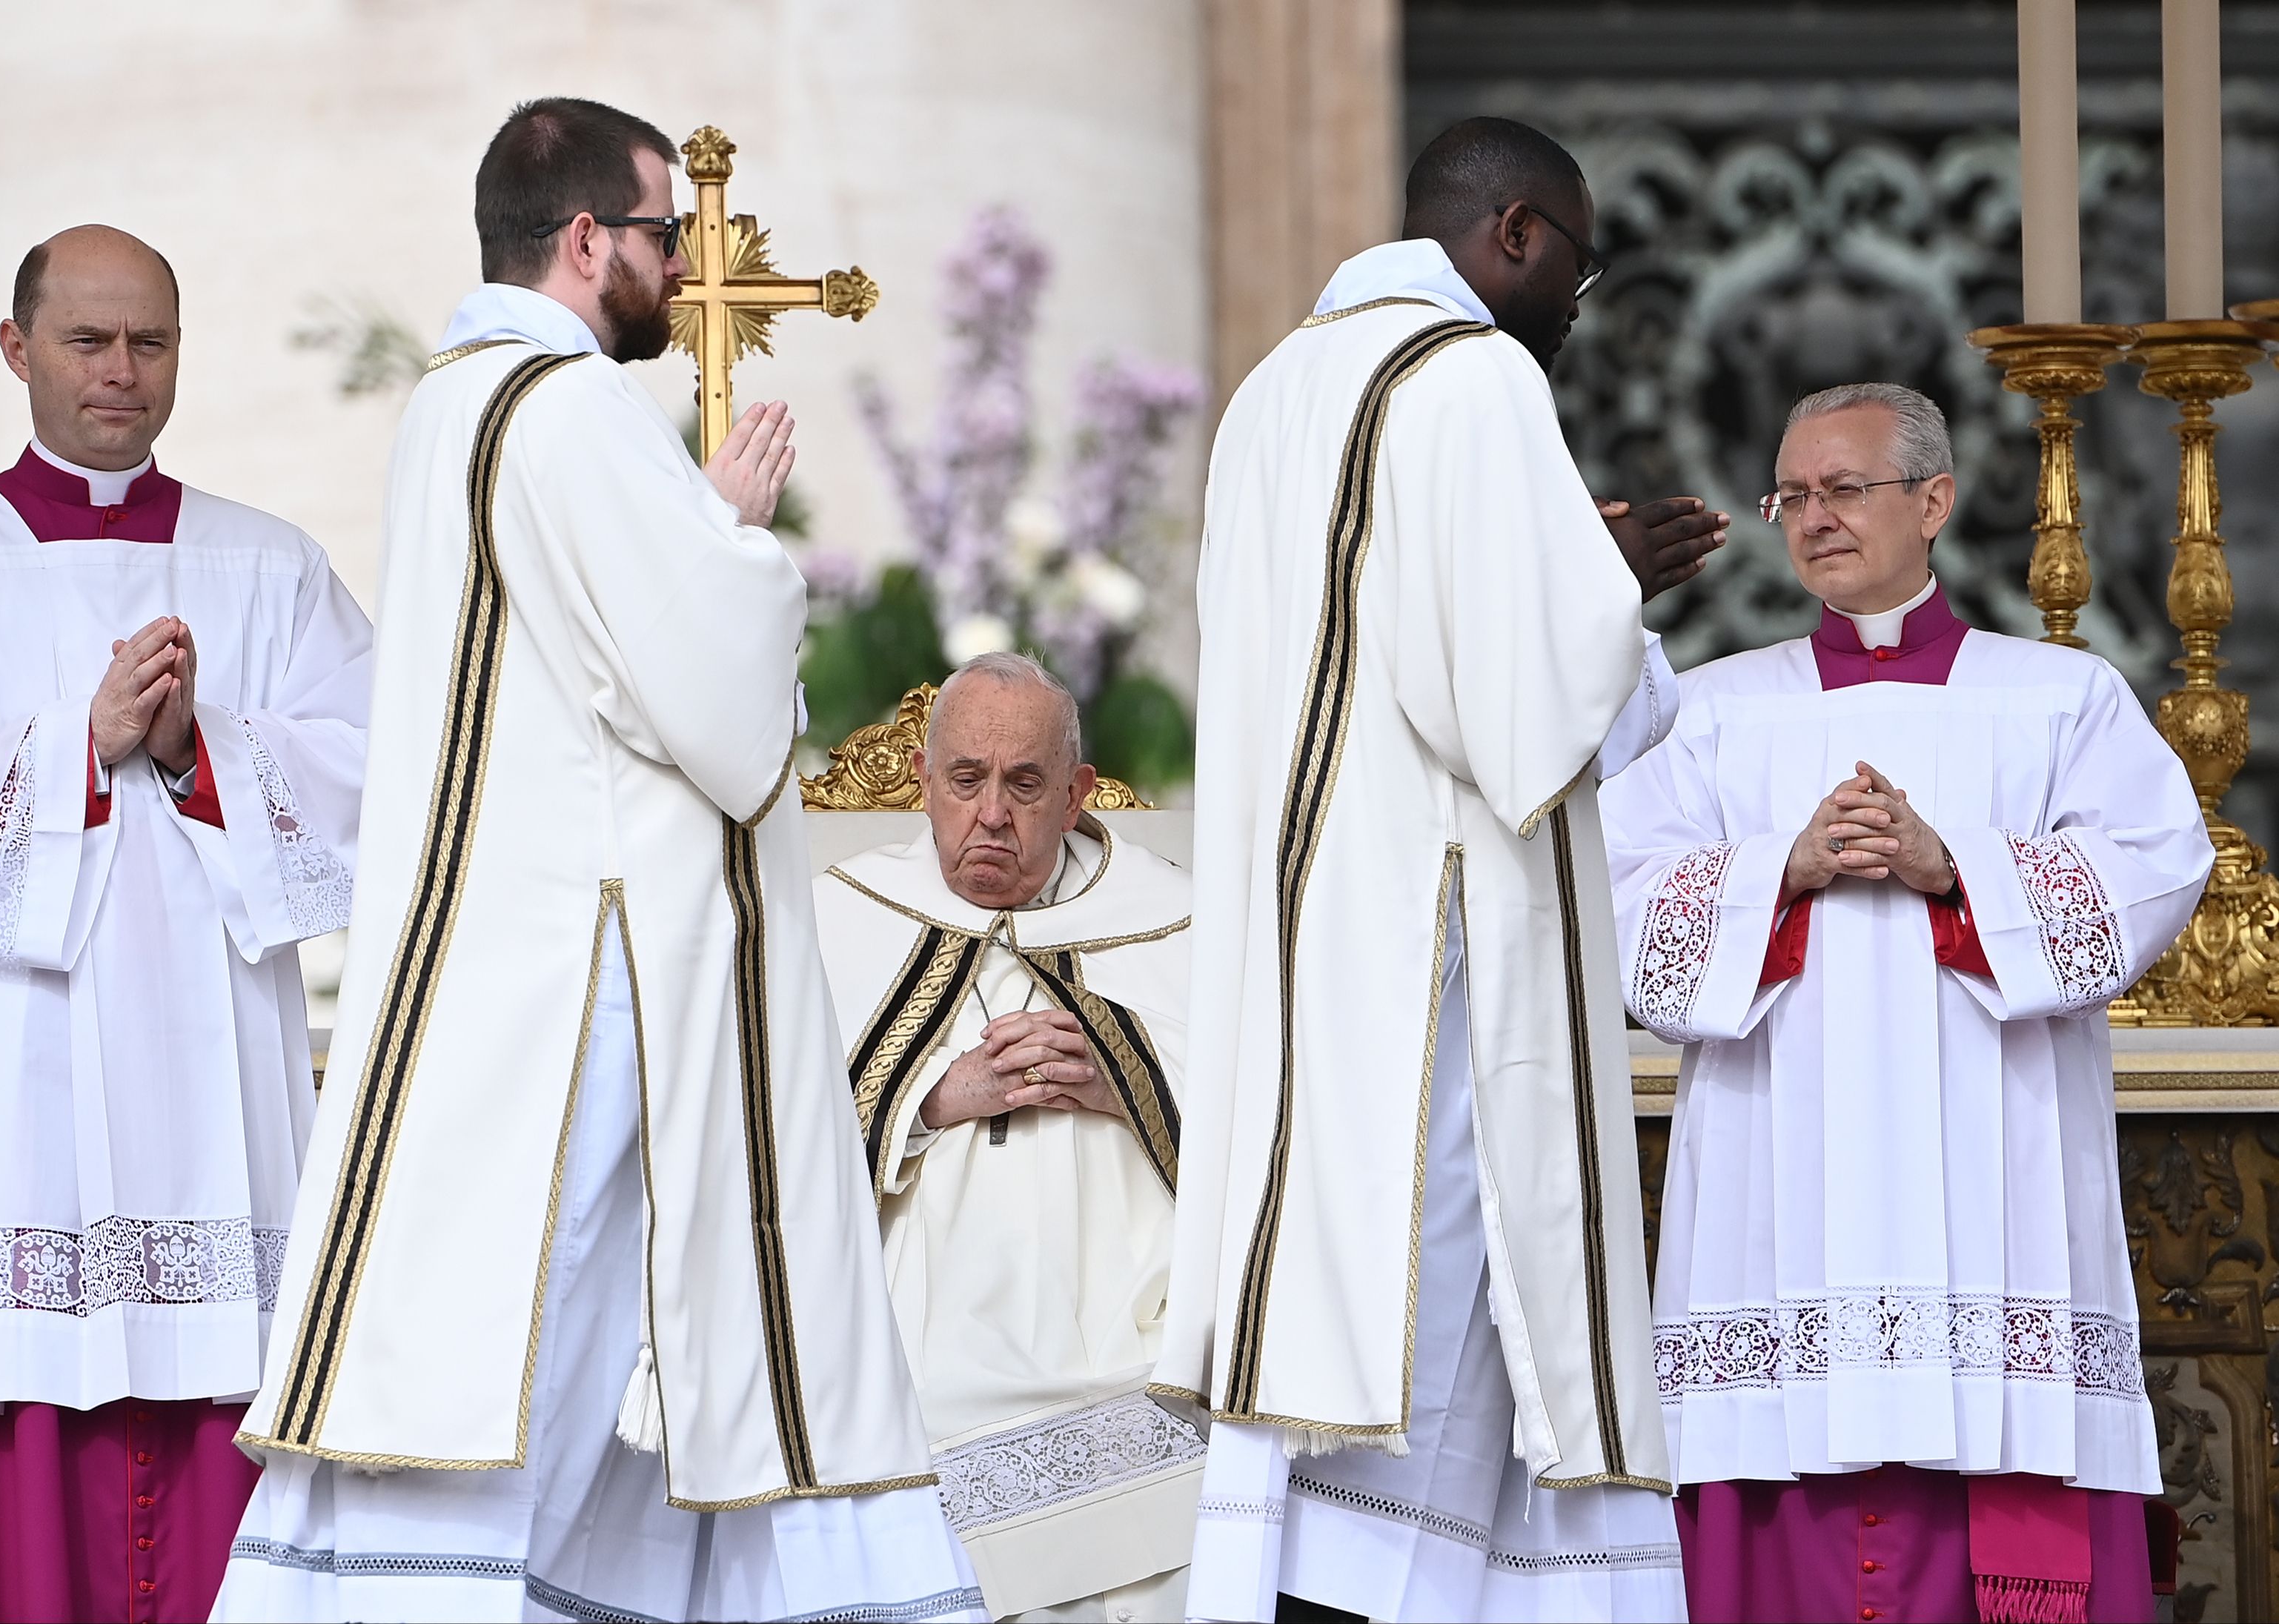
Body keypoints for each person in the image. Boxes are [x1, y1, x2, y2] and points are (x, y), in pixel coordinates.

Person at [213, 97, 982, 1623]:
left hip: (498, 964)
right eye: (660, 239)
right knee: (567, 1331)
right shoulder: (563, 412)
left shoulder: (453, 401)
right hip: (579, 983)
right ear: (583, 242)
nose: (686, 274)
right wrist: (739, 541)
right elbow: (711, 705)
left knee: (524, 1346)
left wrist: (688, 540)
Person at [1152, 115, 1703, 1623]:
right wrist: (1618, 587)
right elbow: (1520, 712)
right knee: (1446, 1341)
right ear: (1514, 232)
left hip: (1299, 949)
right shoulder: (1474, 381)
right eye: (1576, 273)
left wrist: (1564, 570)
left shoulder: (1272, 390)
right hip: (1433, 969)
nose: (1571, 315)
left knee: (1321, 1338)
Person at [0, 225, 373, 1622]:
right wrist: (78, 748)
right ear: (17, 349)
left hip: (217, 1093)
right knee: (20, 1450)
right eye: (88, 340)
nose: (122, 371)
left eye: (151, 342)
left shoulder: (270, 569)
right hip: (15, 1110)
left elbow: (384, 768)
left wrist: (199, 752)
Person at [1602, 381, 2210, 1623]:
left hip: (1998, 1191)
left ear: (1933, 501)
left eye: (1846, 488)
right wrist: (1785, 865)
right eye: (1792, 495)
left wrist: (1952, 869)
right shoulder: (1707, 712)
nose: (1814, 517)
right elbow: (1615, 916)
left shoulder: (2057, 698)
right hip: (1780, 1190)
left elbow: (2157, 868)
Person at [814, 652, 1198, 1622]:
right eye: (966, 781)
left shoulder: (1176, 915)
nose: (992, 814)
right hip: (920, 1327)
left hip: (1138, 1326)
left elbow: (1273, 1118)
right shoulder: (839, 916)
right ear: (925, 782)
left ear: (1074, 796)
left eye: (1025, 785)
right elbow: (765, 1142)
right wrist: (930, 1098)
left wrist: (1134, 1079)